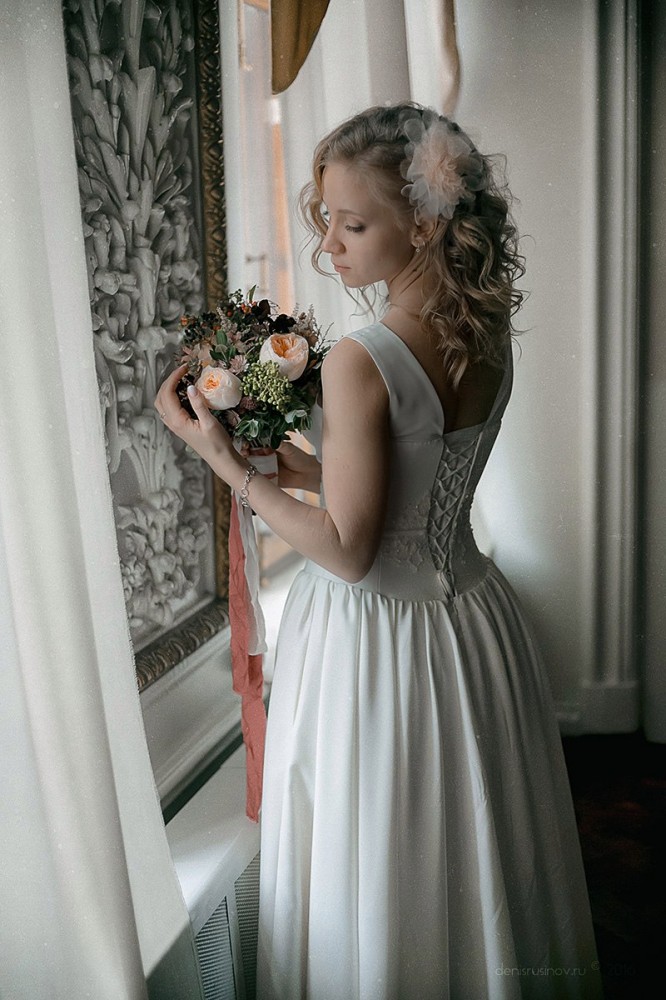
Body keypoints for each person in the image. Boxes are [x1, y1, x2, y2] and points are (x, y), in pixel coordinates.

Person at [155, 103, 602, 999]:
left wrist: (225, 465)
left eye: (352, 224)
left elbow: (350, 551)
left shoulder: (362, 358)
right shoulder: (484, 333)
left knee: (381, 854)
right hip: (472, 625)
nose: (329, 244)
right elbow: (410, 483)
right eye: (326, 219)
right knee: (470, 848)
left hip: (374, 639)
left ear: (425, 225)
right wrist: (288, 463)